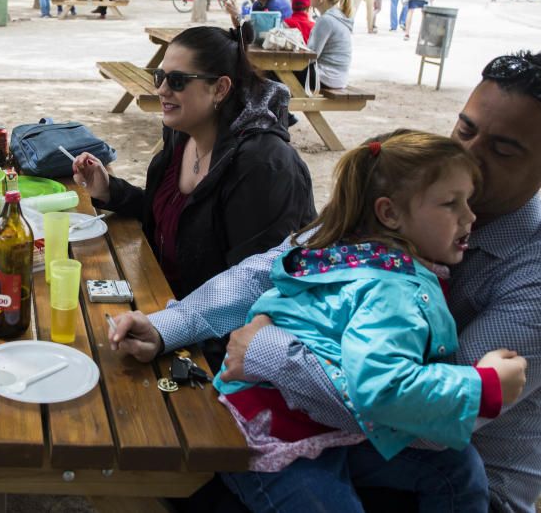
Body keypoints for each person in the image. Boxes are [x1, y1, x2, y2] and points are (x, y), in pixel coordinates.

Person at [107, 51, 541, 513]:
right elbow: (278, 264)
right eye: (465, 130)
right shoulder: (416, 192)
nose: (469, 155)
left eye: (503, 150)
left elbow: (419, 419)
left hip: (435, 467)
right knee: (181, 448)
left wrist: (266, 351)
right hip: (335, 427)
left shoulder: (527, 272)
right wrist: (168, 326)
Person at [216, 130, 520, 512]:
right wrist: (485, 386)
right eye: (450, 204)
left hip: (321, 422)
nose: (470, 216)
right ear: (389, 213)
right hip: (275, 432)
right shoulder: (392, 290)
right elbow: (382, 389)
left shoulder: (361, 252)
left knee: (458, 469)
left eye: (468, 201)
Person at [70, 23, 314, 310]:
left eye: (177, 81)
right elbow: (176, 219)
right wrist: (110, 190)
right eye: (159, 77)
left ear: (220, 89)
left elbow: (255, 291)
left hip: (216, 335)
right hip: (166, 302)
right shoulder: (183, 133)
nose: (161, 89)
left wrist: (168, 331)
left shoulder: (264, 165)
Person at [305, 0, 353, 89]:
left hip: (326, 77)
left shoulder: (326, 20)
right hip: (338, 78)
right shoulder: (338, 16)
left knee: (275, 75)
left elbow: (311, 56)